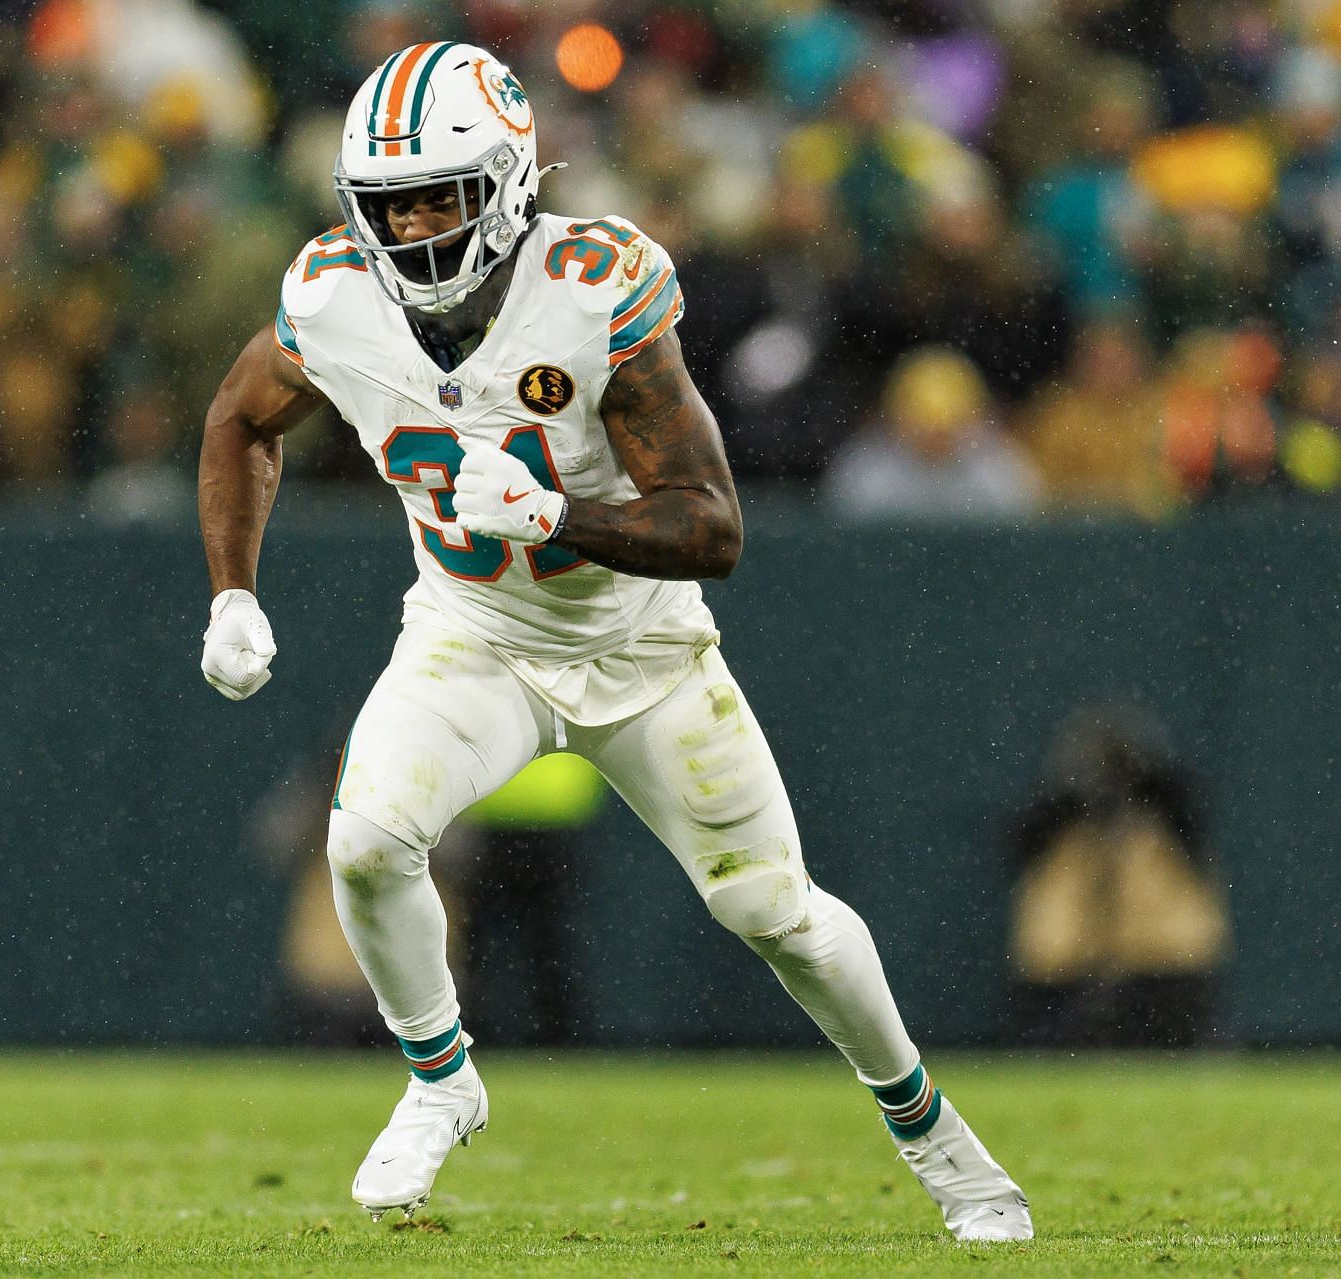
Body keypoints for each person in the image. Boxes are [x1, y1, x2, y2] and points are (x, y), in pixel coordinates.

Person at [196, 41, 1030, 1242]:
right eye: (393, 203)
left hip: (644, 653)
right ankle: (442, 1078)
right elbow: (238, 418)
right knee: (368, 843)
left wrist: (557, 514)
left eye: (443, 195)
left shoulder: (593, 288)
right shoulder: (333, 298)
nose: (419, 226)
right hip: (473, 635)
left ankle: (939, 1139)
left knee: (774, 912)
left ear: (511, 183)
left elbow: (714, 527)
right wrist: (233, 591)